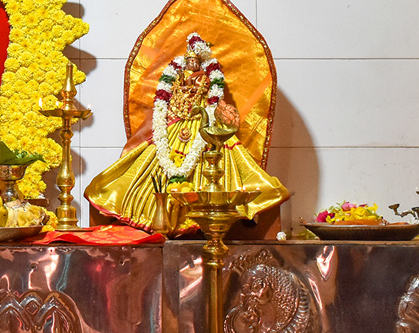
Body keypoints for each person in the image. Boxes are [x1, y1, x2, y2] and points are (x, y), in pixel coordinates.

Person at [85, 32, 287, 233]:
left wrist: (214, 108)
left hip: (202, 123)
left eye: (195, 61)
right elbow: (167, 100)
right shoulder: (175, 76)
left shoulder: (208, 78)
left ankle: (207, 217)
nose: (191, 64)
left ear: (200, 62)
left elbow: (213, 101)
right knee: (152, 160)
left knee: (219, 159)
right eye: (189, 61)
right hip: (173, 124)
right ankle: (154, 214)